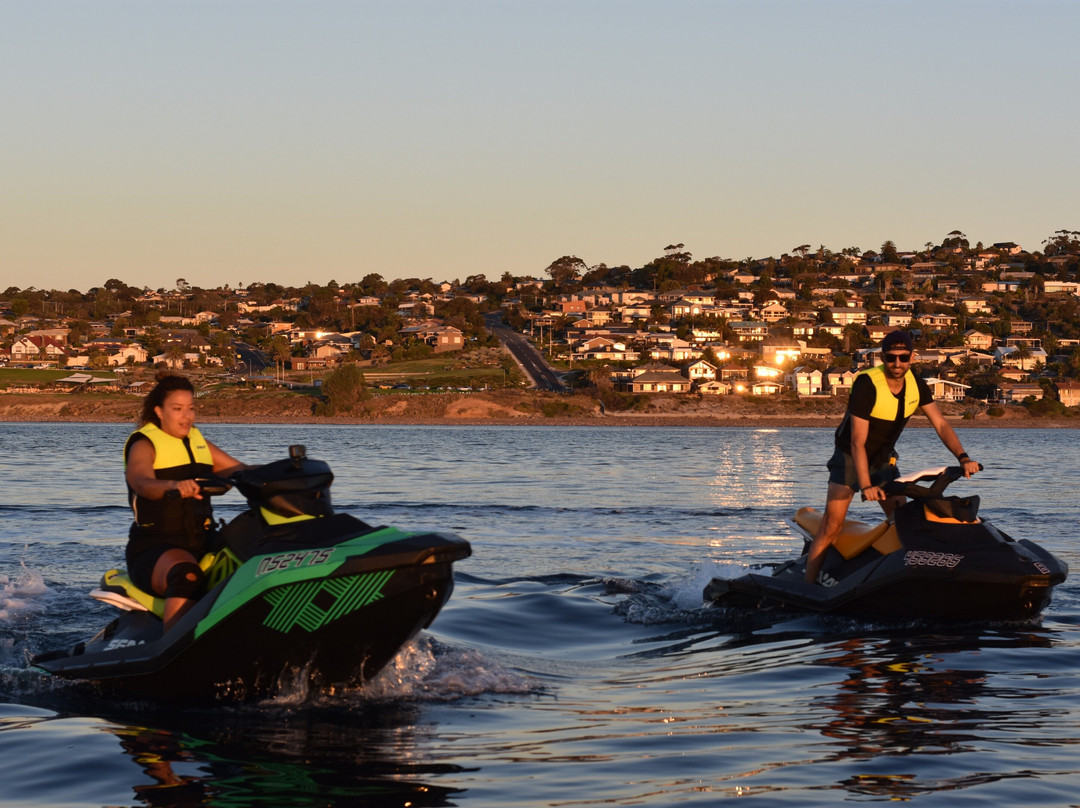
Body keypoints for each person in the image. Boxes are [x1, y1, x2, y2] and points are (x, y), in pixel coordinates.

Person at [804, 331, 980, 584]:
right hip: (850, 458)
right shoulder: (867, 384)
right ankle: (809, 586)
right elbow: (857, 442)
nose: (897, 364)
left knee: (903, 521)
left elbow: (941, 425)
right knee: (832, 525)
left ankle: (897, 580)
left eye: (903, 357)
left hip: (883, 458)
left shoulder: (917, 384)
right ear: (882, 357)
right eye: (891, 358)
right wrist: (866, 484)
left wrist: (963, 457)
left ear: (912, 357)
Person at [124, 372, 245, 631]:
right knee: (187, 575)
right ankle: (173, 649)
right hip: (155, 547)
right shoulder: (144, 444)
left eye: (191, 408)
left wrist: (289, 472)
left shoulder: (198, 442)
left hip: (204, 540)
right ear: (159, 411)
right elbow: (141, 481)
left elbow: (241, 470)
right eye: (177, 409)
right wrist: (174, 486)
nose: (186, 416)